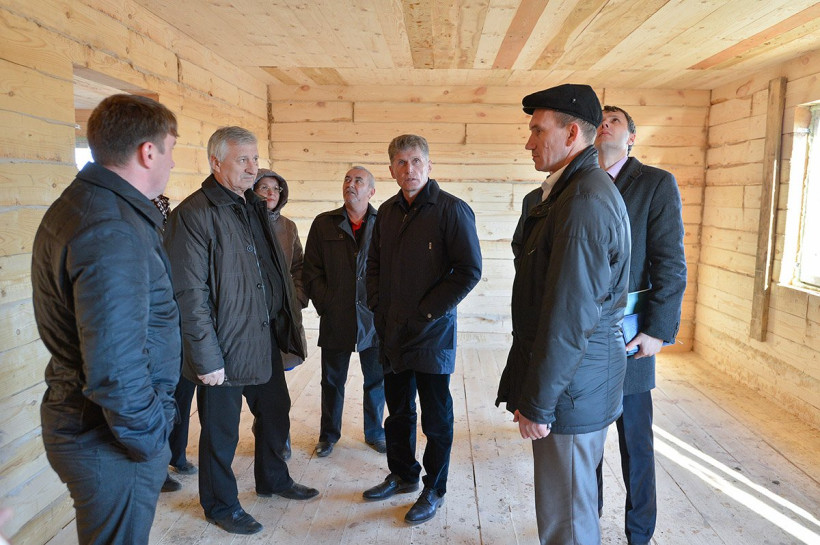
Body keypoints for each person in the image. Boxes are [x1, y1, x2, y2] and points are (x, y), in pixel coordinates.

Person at [31, 93, 181, 545]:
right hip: (109, 438)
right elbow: (116, 368)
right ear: (148, 151)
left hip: (94, 425)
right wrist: (153, 442)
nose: (172, 163)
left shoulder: (86, 203)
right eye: (171, 150)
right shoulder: (111, 227)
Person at [164, 126, 319, 536]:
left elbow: (271, 270)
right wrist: (205, 357)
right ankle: (220, 504)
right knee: (220, 431)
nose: (253, 168)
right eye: (242, 159)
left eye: (255, 159)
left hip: (262, 335)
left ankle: (273, 478)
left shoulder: (251, 205)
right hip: (222, 344)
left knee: (275, 410)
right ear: (216, 162)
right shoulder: (194, 214)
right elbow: (189, 293)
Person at [495, 84, 631, 545]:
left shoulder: (582, 201)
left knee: (567, 521)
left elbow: (569, 317)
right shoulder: (571, 191)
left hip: (571, 389)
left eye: (538, 131)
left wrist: (539, 402)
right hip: (578, 381)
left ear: (572, 133)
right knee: (572, 505)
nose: (529, 142)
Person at [363, 135, 482, 524]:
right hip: (392, 331)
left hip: (433, 334)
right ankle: (403, 475)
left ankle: (434, 488)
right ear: (391, 170)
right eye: (401, 162)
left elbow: (469, 270)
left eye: (416, 161)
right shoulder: (387, 212)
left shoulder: (452, 210)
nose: (409, 169)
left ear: (429, 166)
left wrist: (428, 311)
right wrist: (378, 306)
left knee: (436, 418)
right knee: (397, 412)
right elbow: (374, 265)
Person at [594, 105, 687, 545]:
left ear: (631, 137)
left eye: (614, 120)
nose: (605, 124)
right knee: (585, 438)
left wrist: (657, 330)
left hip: (632, 333)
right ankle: (585, 520)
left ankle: (639, 533)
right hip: (583, 334)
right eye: (600, 119)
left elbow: (670, 262)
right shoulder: (579, 181)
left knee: (635, 440)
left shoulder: (656, 183)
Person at [303, 166, 386, 458]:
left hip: (374, 319)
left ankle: (375, 432)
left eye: (358, 181)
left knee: (376, 380)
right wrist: (326, 303)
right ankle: (328, 436)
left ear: (371, 191)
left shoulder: (384, 223)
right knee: (332, 381)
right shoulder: (324, 223)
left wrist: (384, 308)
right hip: (336, 316)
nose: (351, 184)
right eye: (347, 179)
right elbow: (311, 270)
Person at [254, 168, 309, 461]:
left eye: (275, 188)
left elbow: (298, 266)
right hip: (250, 317)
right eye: (264, 187)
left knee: (277, 384)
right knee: (257, 381)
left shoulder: (287, 227)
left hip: (281, 316)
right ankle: (266, 428)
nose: (270, 193)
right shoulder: (243, 222)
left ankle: (278, 436)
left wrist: (296, 299)